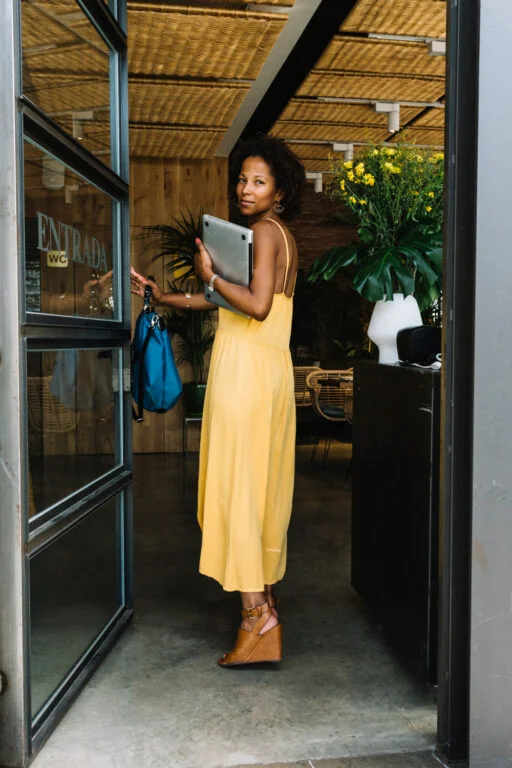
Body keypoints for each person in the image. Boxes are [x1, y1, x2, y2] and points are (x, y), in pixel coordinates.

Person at [131, 134, 305, 667]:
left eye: (259, 181)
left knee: (236, 488)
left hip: (245, 377)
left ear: (279, 191)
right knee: (259, 487)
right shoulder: (281, 237)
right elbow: (221, 301)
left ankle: (258, 621)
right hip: (268, 373)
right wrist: (167, 295)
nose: (246, 189)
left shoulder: (263, 233)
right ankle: (264, 604)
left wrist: (209, 275)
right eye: (242, 179)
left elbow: (252, 306)